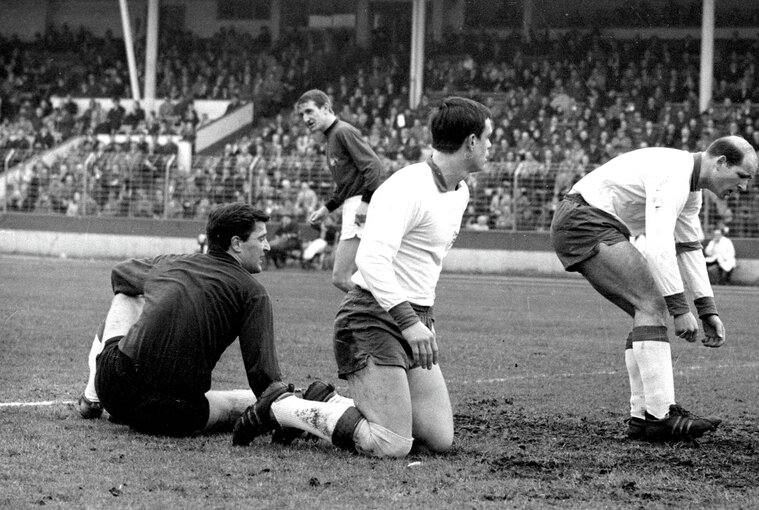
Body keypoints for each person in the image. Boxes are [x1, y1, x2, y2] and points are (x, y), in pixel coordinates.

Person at [231, 97, 493, 458]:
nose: (492, 147)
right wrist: (409, 322)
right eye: (489, 138)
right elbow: (370, 262)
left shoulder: (459, 191)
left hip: (415, 318)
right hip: (371, 318)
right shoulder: (406, 187)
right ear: (471, 142)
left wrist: (421, 322)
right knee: (392, 444)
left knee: (438, 438)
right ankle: (282, 408)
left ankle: (325, 401)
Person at [549, 136, 758, 442]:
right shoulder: (674, 172)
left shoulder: (690, 189)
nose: (743, 187)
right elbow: (659, 246)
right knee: (652, 304)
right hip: (584, 220)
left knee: (646, 310)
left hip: (586, 219)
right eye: (742, 177)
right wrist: (680, 309)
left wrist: (706, 309)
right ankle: (661, 417)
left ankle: (644, 416)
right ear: (721, 163)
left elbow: (688, 248)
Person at [76, 202, 286, 437]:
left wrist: (161, 292)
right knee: (234, 404)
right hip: (175, 414)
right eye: (261, 239)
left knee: (127, 293)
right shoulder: (254, 292)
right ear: (236, 243)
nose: (267, 247)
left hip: (115, 390)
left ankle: (91, 397)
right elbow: (264, 380)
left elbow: (120, 273)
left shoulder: (172, 263)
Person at [297, 89, 385, 292]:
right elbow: (346, 185)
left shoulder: (342, 131)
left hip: (359, 206)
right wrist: (326, 209)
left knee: (341, 277)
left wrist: (365, 203)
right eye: (302, 114)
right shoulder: (332, 139)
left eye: (310, 111)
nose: (305, 118)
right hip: (353, 204)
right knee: (356, 275)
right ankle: (390, 314)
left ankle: (390, 315)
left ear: (326, 108)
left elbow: (373, 165)